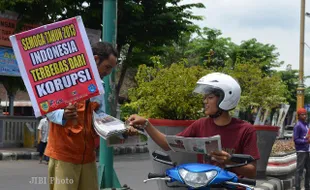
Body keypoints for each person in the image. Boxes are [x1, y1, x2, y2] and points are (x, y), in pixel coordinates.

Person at [128, 72, 260, 179]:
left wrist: (229, 161)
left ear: (225, 98)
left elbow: (252, 171)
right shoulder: (200, 124)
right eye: (205, 97)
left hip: (231, 186)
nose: (204, 101)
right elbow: (168, 144)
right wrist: (146, 124)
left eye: (210, 97)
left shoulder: (246, 130)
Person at [45, 42, 118, 190]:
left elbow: (100, 114)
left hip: (88, 157)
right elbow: (47, 109)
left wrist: (119, 127)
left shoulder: (99, 87)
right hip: (64, 156)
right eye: (107, 67)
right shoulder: (63, 80)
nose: (108, 72)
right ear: (96, 59)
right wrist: (63, 114)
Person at [293, 108, 310, 190]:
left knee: (309, 170)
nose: (304, 116)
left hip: (307, 150)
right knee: (299, 170)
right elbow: (296, 140)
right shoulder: (298, 126)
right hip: (301, 151)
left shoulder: (306, 125)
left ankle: (307, 186)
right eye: (302, 114)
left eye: (305, 114)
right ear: (298, 116)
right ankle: (297, 187)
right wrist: (306, 140)